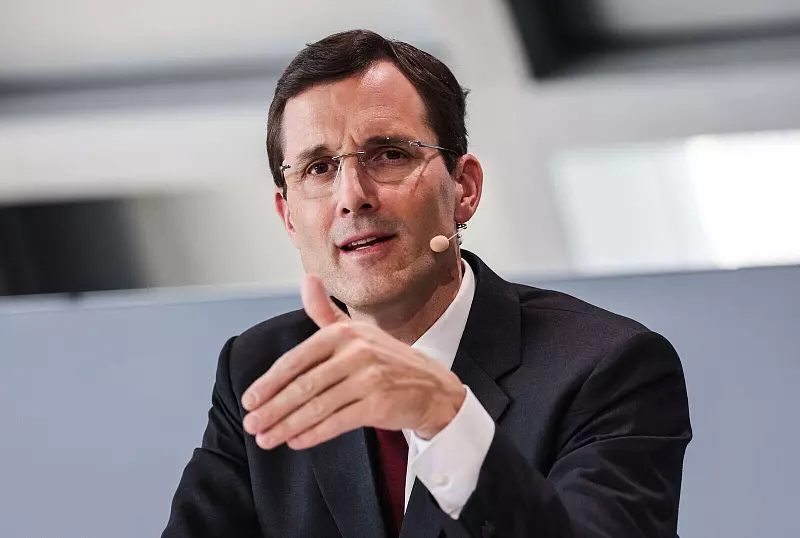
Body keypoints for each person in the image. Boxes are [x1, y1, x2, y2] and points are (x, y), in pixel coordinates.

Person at [162, 29, 692, 538]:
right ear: (289, 219)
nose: (352, 197)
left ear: (464, 188)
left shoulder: (608, 366)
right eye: (319, 168)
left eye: (389, 154)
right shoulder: (259, 369)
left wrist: (447, 419)